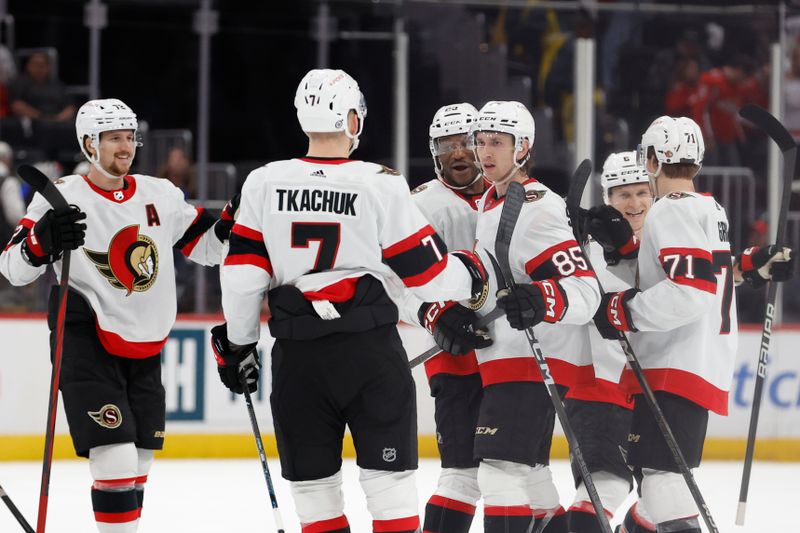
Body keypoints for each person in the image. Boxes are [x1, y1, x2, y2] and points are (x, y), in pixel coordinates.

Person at [213, 69, 490, 533]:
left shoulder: (263, 182)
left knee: (315, 496)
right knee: (391, 491)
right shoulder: (379, 181)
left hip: (299, 359)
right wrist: (475, 273)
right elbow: (429, 274)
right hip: (370, 353)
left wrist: (240, 345)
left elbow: (241, 277)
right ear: (351, 120)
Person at [0, 98, 236, 533]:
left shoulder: (159, 194)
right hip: (84, 333)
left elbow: (208, 247)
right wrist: (42, 241)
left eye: (129, 137)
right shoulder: (63, 196)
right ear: (89, 143)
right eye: (113, 138)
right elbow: (12, 268)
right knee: (116, 456)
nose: (125, 147)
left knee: (141, 456)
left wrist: (232, 224)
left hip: (144, 338)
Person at [590, 116, 790, 533]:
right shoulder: (708, 207)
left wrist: (621, 311)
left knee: (662, 484)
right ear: (697, 162)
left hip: (674, 364)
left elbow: (690, 290)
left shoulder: (669, 211)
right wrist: (624, 255)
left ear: (651, 160)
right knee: (655, 483)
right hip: (696, 361)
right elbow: (698, 275)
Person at [460, 100, 600, 533]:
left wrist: (541, 299)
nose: (485, 152)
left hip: (535, 361)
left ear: (523, 147)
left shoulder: (536, 206)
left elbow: (585, 290)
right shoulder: (491, 201)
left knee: (498, 472)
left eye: (497, 142)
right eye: (481, 141)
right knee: (531, 480)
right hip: (507, 357)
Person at [565, 152, 656, 533]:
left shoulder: (664, 241)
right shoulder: (588, 249)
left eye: (642, 193)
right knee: (604, 489)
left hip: (650, 393)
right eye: (623, 195)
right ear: (607, 198)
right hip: (600, 388)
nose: (634, 204)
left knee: (662, 502)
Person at [409, 103, 488, 533]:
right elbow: (395, 277)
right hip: (455, 357)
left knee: (520, 474)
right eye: (447, 145)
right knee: (463, 474)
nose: (458, 153)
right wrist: (434, 313)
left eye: (466, 143)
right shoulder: (421, 204)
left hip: (512, 359)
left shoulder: (510, 194)